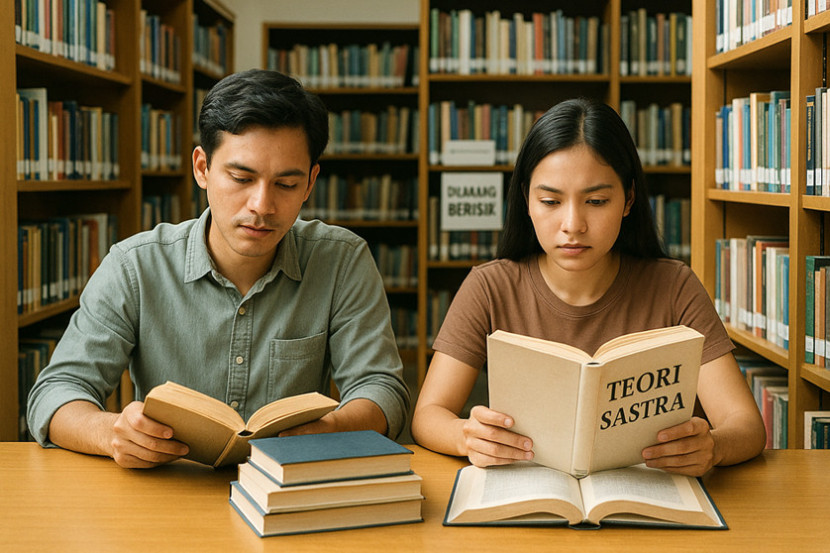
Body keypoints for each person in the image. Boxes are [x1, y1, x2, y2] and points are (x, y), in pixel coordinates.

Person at [27, 69, 410, 468]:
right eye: (242, 178)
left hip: (286, 489)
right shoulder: (134, 266)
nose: (262, 206)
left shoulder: (342, 261)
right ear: (202, 168)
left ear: (310, 182)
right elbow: (56, 392)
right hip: (168, 491)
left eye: (286, 185)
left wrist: (336, 427)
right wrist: (111, 433)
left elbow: (382, 389)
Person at [411, 98, 766, 477]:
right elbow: (428, 415)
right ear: (526, 201)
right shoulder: (490, 286)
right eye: (550, 201)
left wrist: (712, 447)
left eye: (596, 201)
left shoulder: (673, 286)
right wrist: (467, 436)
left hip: (648, 498)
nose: (573, 224)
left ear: (628, 199)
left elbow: (745, 425)